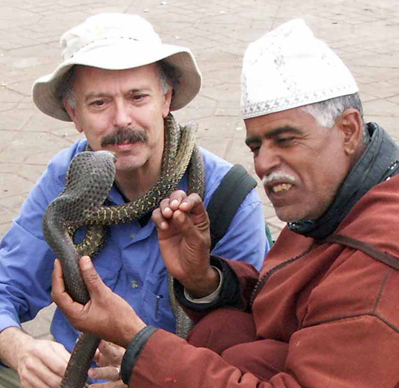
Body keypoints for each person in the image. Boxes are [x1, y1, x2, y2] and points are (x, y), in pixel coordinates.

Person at [52, 18, 399, 388]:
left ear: (348, 130)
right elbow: (282, 304)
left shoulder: (379, 261)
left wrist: (137, 341)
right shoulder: (333, 198)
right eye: (256, 146)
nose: (264, 163)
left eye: (286, 140)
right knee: (224, 332)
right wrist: (205, 280)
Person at [0, 13, 268, 388]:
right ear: (75, 115)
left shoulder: (227, 197)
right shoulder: (66, 181)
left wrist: (150, 368)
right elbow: (5, 285)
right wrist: (19, 348)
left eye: (137, 97)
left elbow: (253, 344)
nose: (121, 120)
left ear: (166, 99)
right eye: (98, 104)